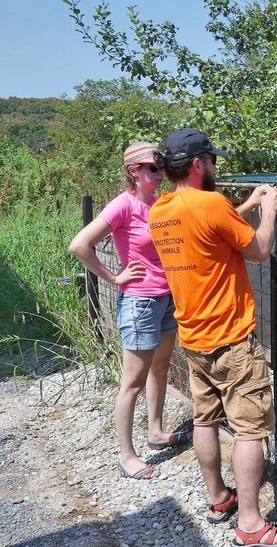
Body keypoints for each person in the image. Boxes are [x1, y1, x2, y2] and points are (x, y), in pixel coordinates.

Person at [148, 128, 277, 547]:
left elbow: (206, 231)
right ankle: (252, 526)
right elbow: (257, 249)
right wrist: (268, 210)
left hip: (193, 338)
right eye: (212, 161)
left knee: (205, 419)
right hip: (231, 339)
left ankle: (219, 500)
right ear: (199, 164)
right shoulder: (212, 203)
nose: (215, 167)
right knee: (250, 429)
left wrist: (248, 204)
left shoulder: (161, 210)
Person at [68, 141, 192, 480]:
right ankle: (126, 455)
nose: (159, 172)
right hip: (139, 302)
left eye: (162, 167)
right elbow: (79, 245)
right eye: (152, 167)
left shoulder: (156, 204)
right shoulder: (122, 205)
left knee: (161, 369)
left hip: (165, 299)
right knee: (132, 383)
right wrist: (115, 276)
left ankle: (155, 432)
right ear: (133, 172)